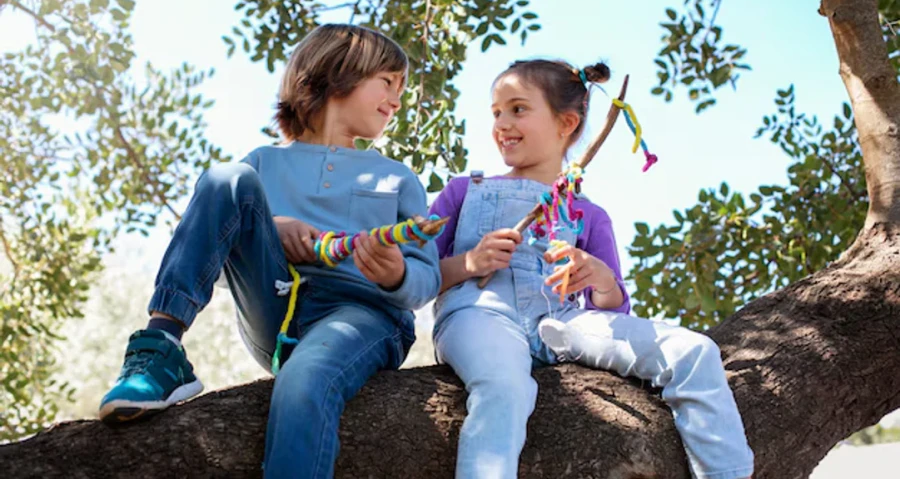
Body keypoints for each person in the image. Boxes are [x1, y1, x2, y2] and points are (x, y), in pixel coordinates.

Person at [99, 24, 441, 478]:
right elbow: (217, 262)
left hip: (362, 315)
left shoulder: (398, 177)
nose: (397, 101)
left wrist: (395, 274)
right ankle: (161, 348)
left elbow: (426, 279)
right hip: (274, 310)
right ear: (339, 72)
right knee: (225, 178)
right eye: (388, 82)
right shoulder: (262, 163)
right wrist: (274, 228)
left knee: (304, 378)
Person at [429, 58, 754, 479]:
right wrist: (468, 262)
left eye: (518, 109)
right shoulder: (464, 191)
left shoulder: (587, 213)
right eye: (496, 112)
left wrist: (599, 278)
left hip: (560, 321)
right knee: (504, 387)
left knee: (695, 351)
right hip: (479, 315)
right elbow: (416, 277)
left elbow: (614, 310)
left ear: (566, 123)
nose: (501, 123)